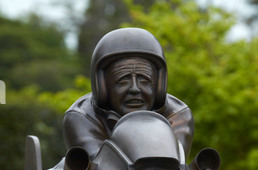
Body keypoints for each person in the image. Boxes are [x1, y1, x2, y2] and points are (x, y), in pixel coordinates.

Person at [62, 27, 194, 162]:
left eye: (144, 80)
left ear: (158, 85)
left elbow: (173, 167)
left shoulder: (178, 115)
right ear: (103, 87)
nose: (135, 89)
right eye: (123, 80)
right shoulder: (81, 116)